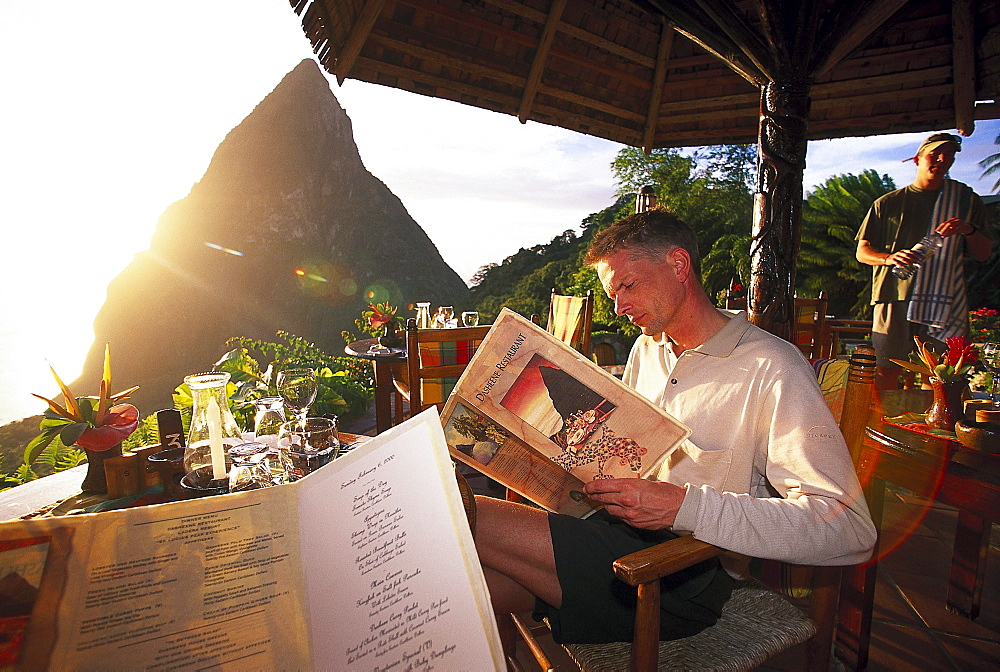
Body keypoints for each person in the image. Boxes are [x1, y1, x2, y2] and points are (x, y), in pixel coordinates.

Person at [474, 209, 876, 662]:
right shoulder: (649, 348)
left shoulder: (771, 368)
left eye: (627, 286)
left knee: (459, 508)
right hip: (614, 540)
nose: (618, 308)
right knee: (458, 586)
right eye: (612, 294)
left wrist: (684, 506)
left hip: (682, 576)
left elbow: (849, 528)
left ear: (679, 265)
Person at [856, 133, 992, 389]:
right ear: (917, 158)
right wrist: (889, 258)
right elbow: (862, 252)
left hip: (944, 300)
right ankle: (881, 426)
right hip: (893, 296)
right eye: (935, 154)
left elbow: (984, 253)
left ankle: (930, 428)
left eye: (949, 155)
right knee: (885, 372)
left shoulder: (964, 201)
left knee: (940, 377)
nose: (942, 160)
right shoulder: (888, 203)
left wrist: (967, 230)